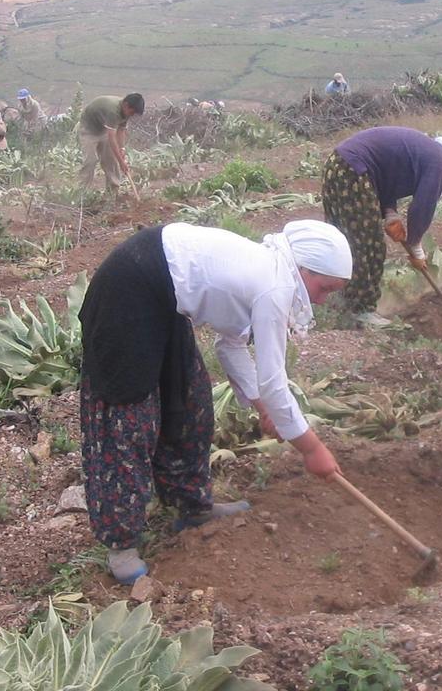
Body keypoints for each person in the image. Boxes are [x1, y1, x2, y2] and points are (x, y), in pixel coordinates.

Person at [79, 219, 351, 584]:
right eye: (324, 287)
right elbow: (273, 381)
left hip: (165, 296)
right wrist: (311, 448)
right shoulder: (274, 284)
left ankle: (192, 507)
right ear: (304, 269)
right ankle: (121, 545)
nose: (321, 299)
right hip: (128, 289)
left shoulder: (269, 272)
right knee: (127, 417)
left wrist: (264, 407)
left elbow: (232, 343)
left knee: (189, 401)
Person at [322, 126, 442, 328]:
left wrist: (390, 212)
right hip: (353, 171)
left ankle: (339, 300)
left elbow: (387, 173)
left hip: (342, 167)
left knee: (345, 242)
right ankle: (360, 311)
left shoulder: (429, 152)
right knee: (368, 246)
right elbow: (422, 207)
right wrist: (415, 244)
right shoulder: (440, 163)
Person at [75, 93, 145, 194]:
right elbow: (112, 138)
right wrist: (121, 162)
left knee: (110, 160)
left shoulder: (126, 112)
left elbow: (121, 131)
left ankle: (113, 192)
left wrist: (122, 150)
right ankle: (82, 194)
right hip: (88, 129)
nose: (132, 115)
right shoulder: (113, 111)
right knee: (90, 161)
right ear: (125, 105)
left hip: (103, 129)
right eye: (132, 112)